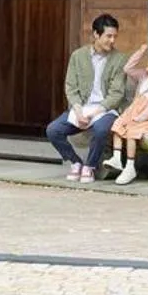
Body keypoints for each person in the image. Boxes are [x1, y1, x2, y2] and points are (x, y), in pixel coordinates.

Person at [45, 13, 129, 183]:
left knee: (100, 129)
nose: (112, 40)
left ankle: (90, 166)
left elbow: (117, 93)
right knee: (53, 130)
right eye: (108, 36)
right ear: (96, 34)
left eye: (115, 36)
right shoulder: (78, 56)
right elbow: (71, 87)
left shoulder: (120, 59)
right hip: (82, 107)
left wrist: (94, 112)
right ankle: (76, 162)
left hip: (107, 109)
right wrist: (78, 110)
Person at [105, 50, 148, 185]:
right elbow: (127, 68)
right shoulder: (143, 76)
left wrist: (139, 119)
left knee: (131, 131)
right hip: (133, 112)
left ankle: (130, 166)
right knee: (118, 124)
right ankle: (116, 158)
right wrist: (140, 52)